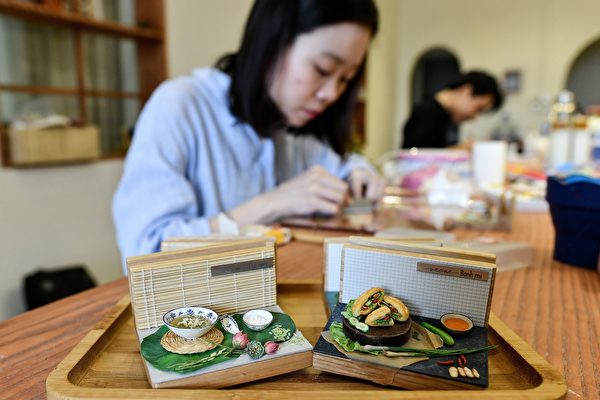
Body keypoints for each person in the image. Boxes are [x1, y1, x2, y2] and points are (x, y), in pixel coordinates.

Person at [112, 0, 385, 269]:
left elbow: (344, 167)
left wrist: (360, 174)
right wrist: (273, 203)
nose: (331, 94)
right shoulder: (180, 105)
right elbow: (145, 252)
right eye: (322, 69)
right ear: (272, 40)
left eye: (345, 78)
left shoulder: (287, 127)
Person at [401, 71, 504, 149]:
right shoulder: (427, 113)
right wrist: (460, 149)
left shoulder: (443, 115)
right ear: (466, 91)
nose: (474, 117)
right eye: (478, 108)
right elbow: (417, 157)